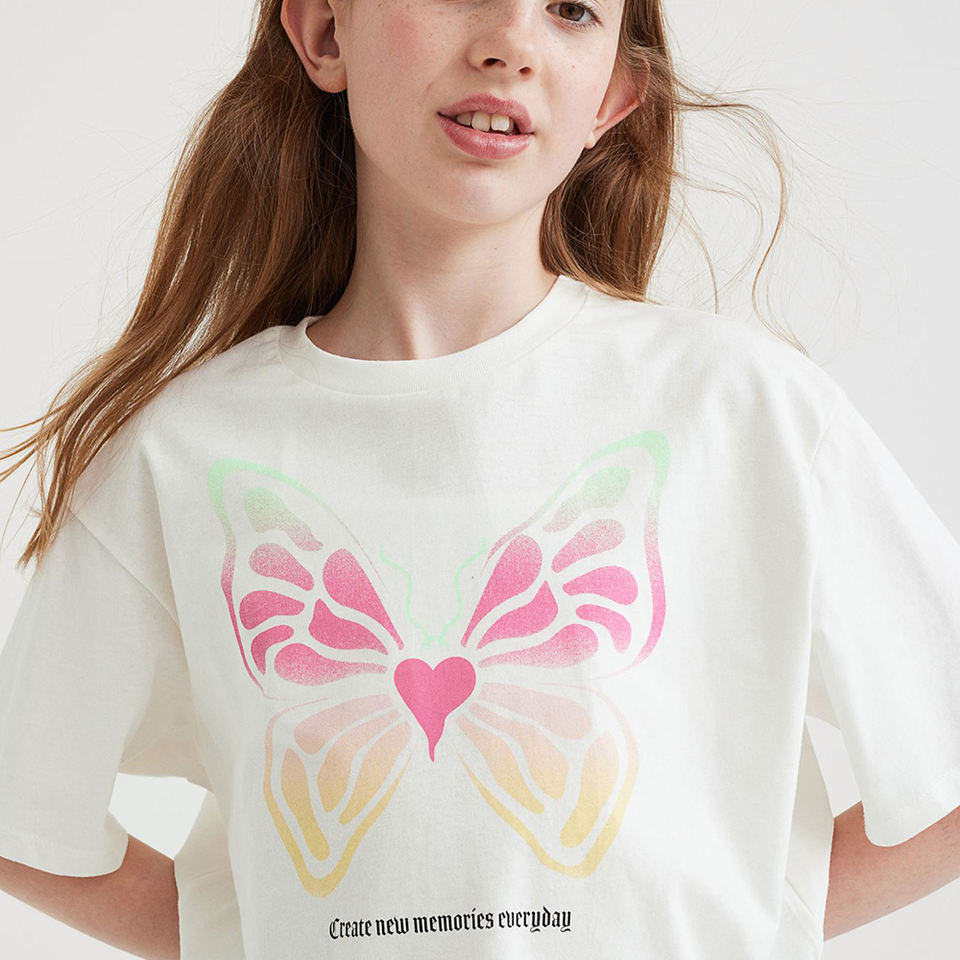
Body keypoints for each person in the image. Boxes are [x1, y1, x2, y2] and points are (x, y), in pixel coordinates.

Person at [1, 0, 959, 958]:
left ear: (613, 96)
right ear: (326, 31)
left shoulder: (746, 414)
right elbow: (26, 818)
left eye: (572, 9)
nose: (511, 42)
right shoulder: (182, 454)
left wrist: (751, 919)